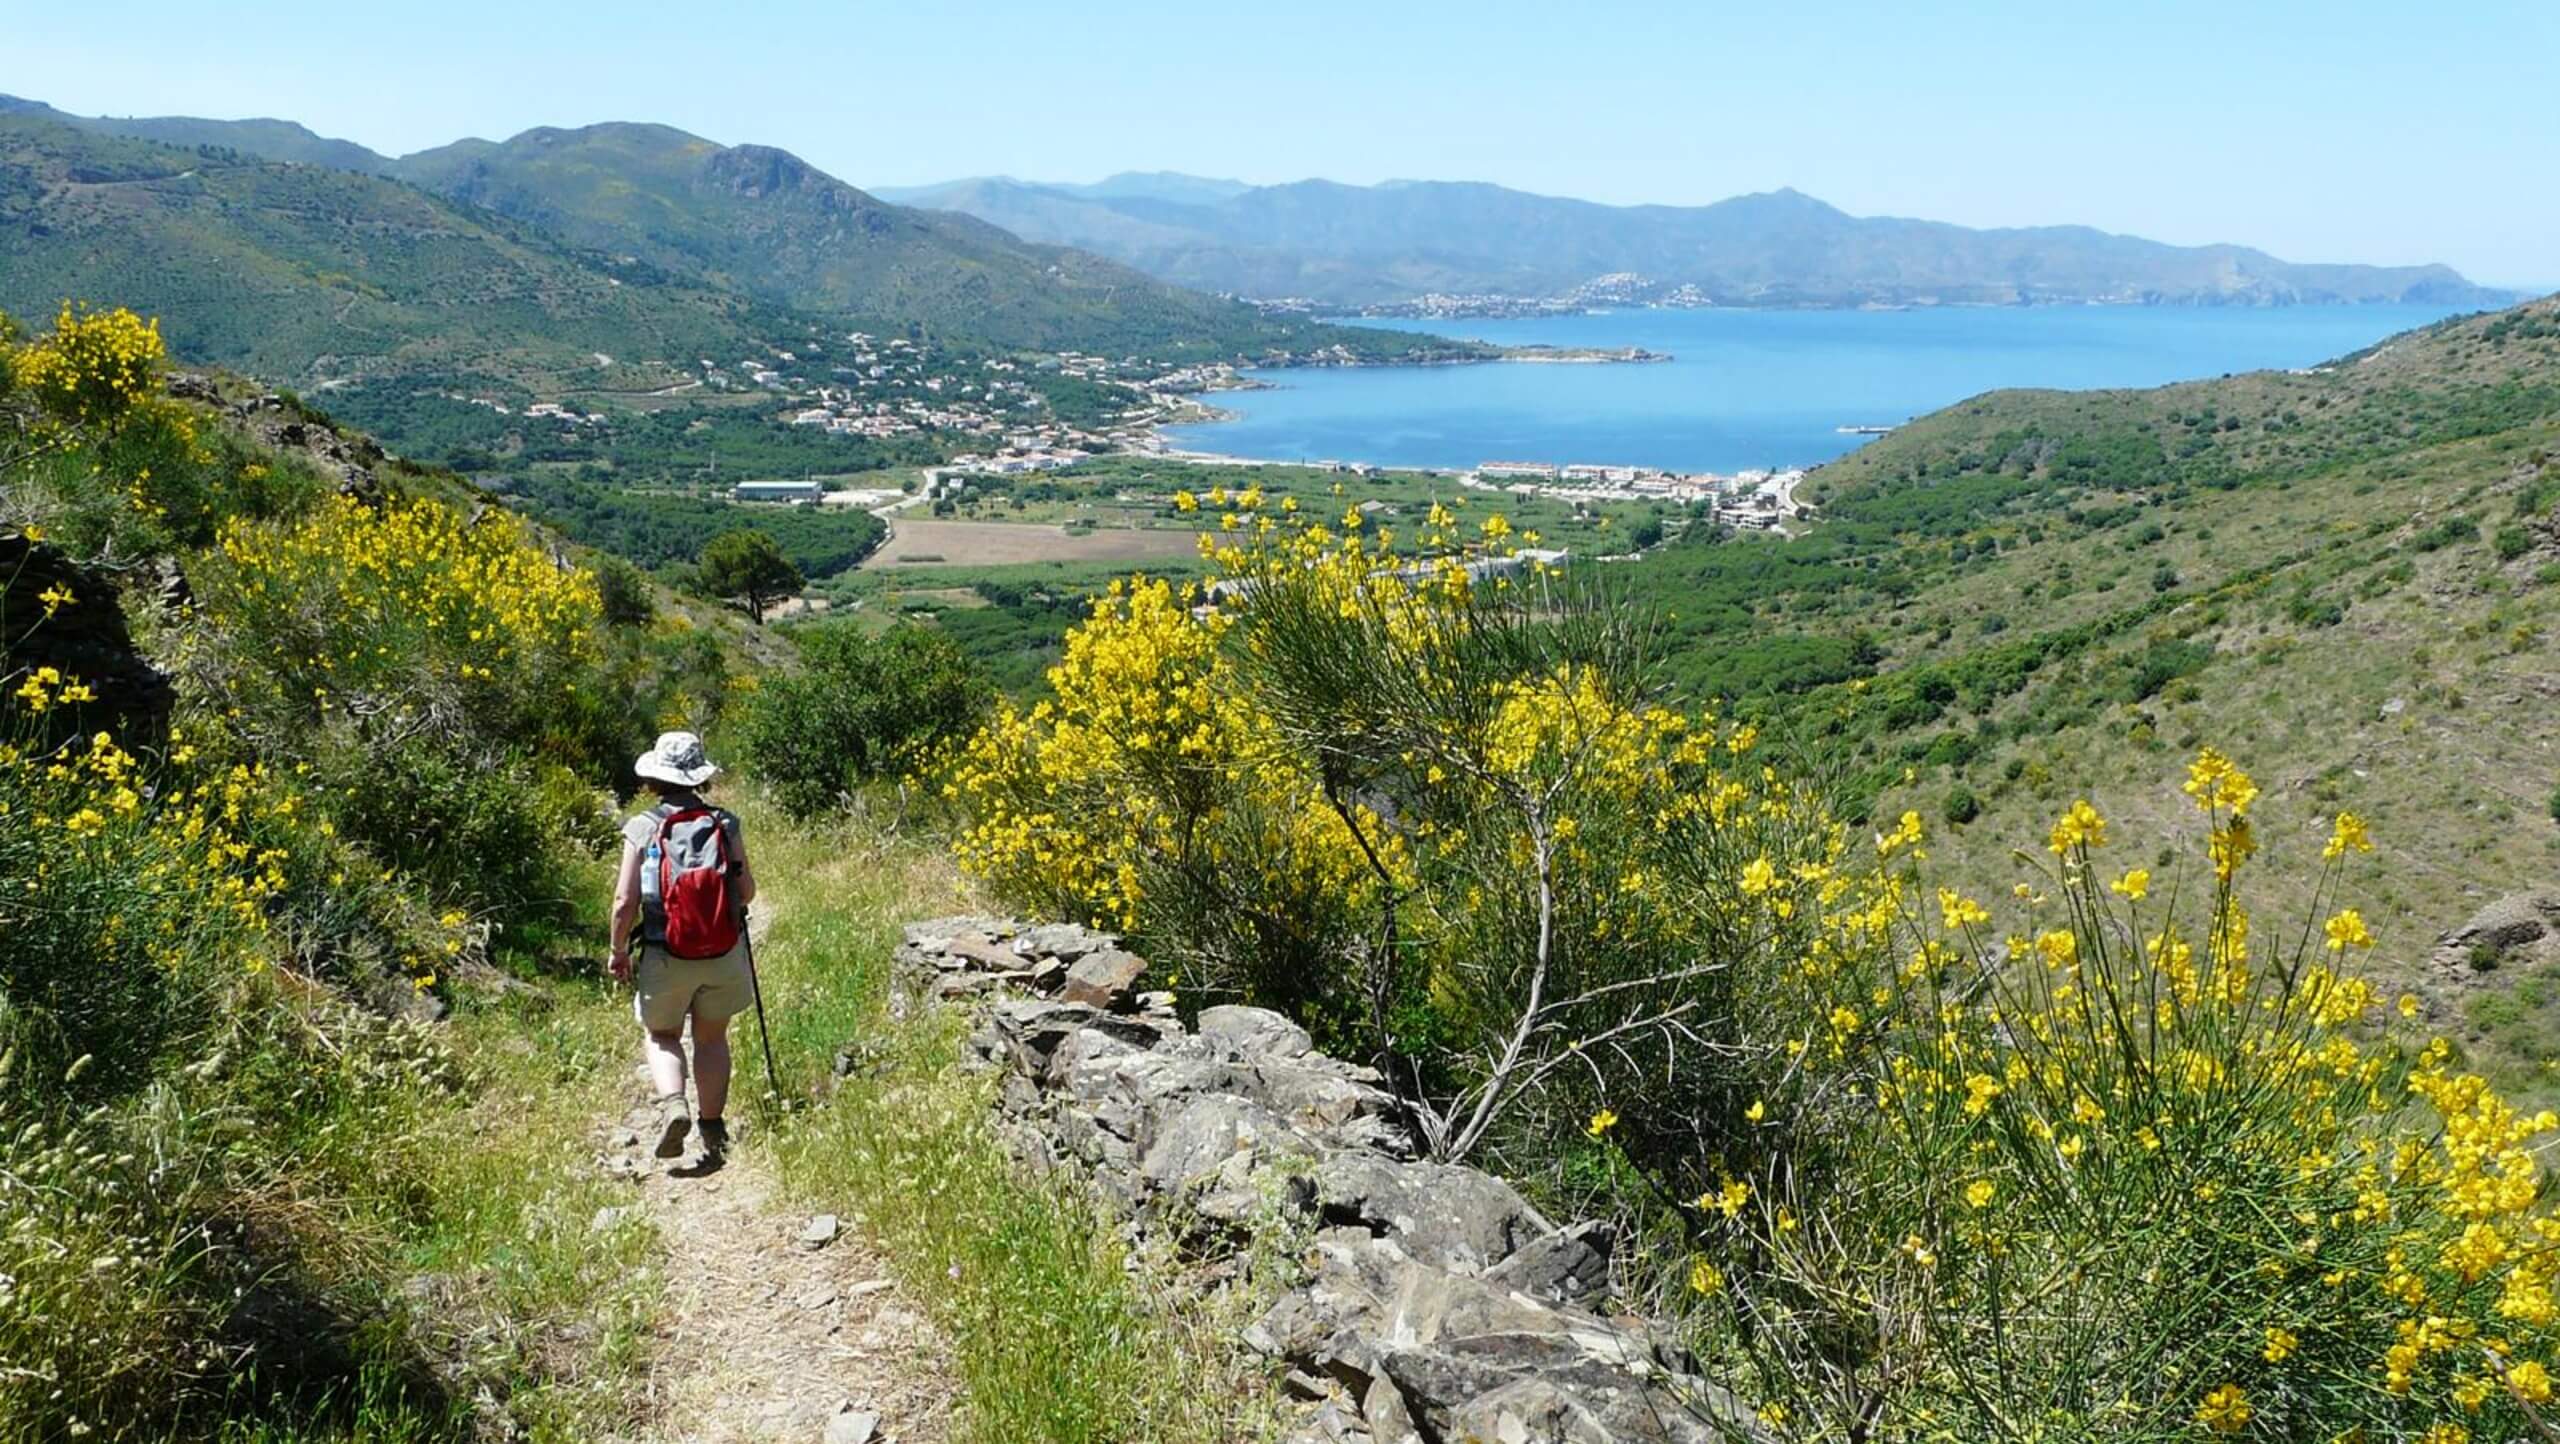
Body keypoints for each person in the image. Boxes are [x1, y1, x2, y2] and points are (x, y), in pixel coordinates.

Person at [609, 731, 757, 1163]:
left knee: (662, 1034)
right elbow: (745, 892)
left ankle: (675, 1105)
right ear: (698, 776)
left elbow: (624, 902)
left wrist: (618, 951)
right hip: (723, 950)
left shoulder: (642, 828)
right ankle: (713, 1127)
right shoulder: (724, 823)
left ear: (655, 778)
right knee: (712, 1038)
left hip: (665, 951)